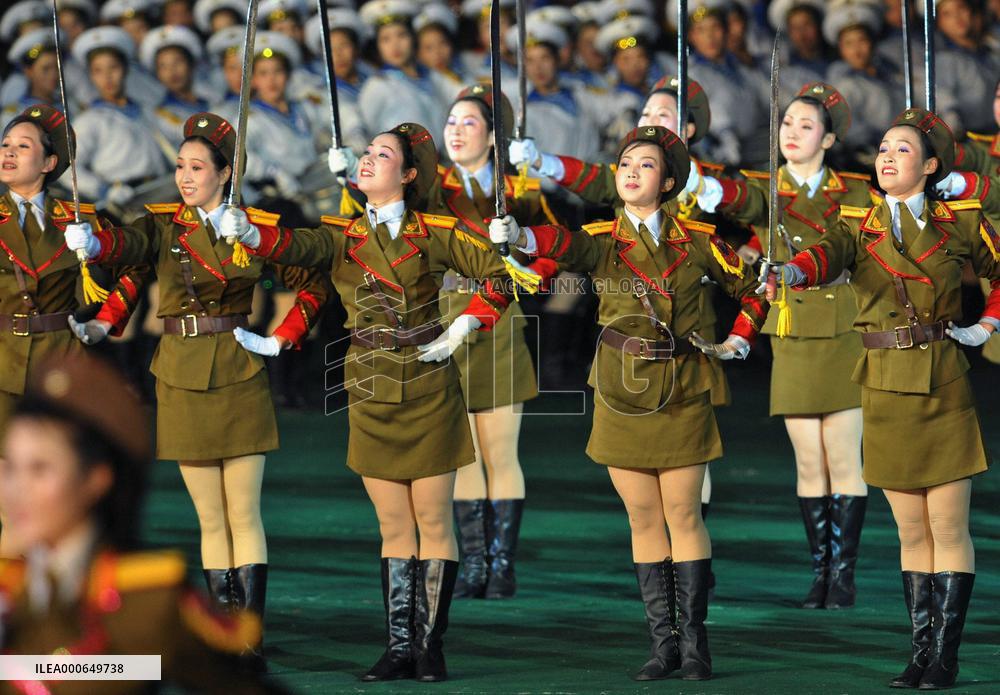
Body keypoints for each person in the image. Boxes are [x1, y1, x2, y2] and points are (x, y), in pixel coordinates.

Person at [222, 122, 524, 682]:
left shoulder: (435, 232)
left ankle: (429, 647)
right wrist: (251, 234)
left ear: (407, 175)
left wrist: (461, 329)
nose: (367, 159)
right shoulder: (342, 234)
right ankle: (398, 647)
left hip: (428, 380)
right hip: (370, 381)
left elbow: (501, 277)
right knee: (392, 523)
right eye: (366, 151)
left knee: (432, 519)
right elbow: (294, 246)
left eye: (382, 155)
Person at [491, 125, 769, 682]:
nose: (631, 172)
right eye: (624, 164)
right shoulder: (601, 238)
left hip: (682, 383)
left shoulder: (698, 240)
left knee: (683, 514)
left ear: (667, 182)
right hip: (622, 388)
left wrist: (739, 338)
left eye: (645, 165)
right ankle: (663, 646)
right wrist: (518, 235)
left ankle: (695, 646)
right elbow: (561, 244)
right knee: (642, 516)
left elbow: (755, 289)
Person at [63, 112, 332, 671]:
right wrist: (95, 243)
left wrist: (280, 338)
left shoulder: (252, 226)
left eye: (197, 168)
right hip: (181, 372)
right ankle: (223, 635)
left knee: (244, 513)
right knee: (210, 518)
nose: (184, 177)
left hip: (238, 367)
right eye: (181, 166)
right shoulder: (164, 225)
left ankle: (249, 637)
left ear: (226, 173)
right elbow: (129, 249)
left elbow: (312, 278)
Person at [768, 107, 997, 690]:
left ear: (931, 166)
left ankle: (944, 657)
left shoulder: (960, 221)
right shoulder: (858, 223)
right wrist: (791, 273)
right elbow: (823, 254)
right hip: (884, 381)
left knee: (948, 527)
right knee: (910, 531)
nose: (887, 157)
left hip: (941, 378)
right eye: (883, 149)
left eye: (902, 149)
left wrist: (987, 323)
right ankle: (919, 653)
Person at [0, 353, 288, 694]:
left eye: (40, 470)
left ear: (96, 479)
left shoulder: (146, 603)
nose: (16, 490)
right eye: (9, 468)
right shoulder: (9, 594)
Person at [688, 82, 874, 609]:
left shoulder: (855, 191)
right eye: (786, 123)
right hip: (792, 332)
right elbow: (735, 197)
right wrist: (701, 181)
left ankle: (843, 575)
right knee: (809, 462)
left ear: (829, 139)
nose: (791, 133)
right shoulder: (765, 189)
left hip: (842, 329)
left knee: (844, 458)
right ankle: (820, 572)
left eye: (805, 125)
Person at [429, 83, 556, 599]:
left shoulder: (519, 189)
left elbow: (551, 252)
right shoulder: (430, 187)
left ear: (492, 137)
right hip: (445, 319)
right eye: (451, 122)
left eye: (470, 123)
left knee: (500, 452)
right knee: (463, 452)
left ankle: (503, 565)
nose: (456, 132)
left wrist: (523, 263)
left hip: (499, 322)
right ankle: (475, 564)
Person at [0, 104, 116, 556]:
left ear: (50, 162)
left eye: (22, 146)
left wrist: (105, 321)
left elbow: (131, 268)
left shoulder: (78, 218)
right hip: (3, 359)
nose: (8, 153)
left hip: (61, 360)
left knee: (61, 483)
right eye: (5, 145)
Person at [70, 25, 172, 209]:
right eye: (98, 71)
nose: (107, 77)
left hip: (161, 194)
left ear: (125, 69)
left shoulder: (146, 111)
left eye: (113, 67)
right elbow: (69, 169)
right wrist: (103, 190)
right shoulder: (88, 121)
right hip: (121, 204)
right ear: (91, 76)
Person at [357, 1, 453, 141]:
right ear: (378, 46)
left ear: (413, 38)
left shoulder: (431, 77)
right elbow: (364, 134)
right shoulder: (377, 85)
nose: (395, 45)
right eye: (385, 39)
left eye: (401, 35)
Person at [140, 25, 211, 149]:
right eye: (163, 66)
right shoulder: (159, 115)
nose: (172, 72)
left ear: (191, 63)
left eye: (177, 62)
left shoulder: (212, 101)